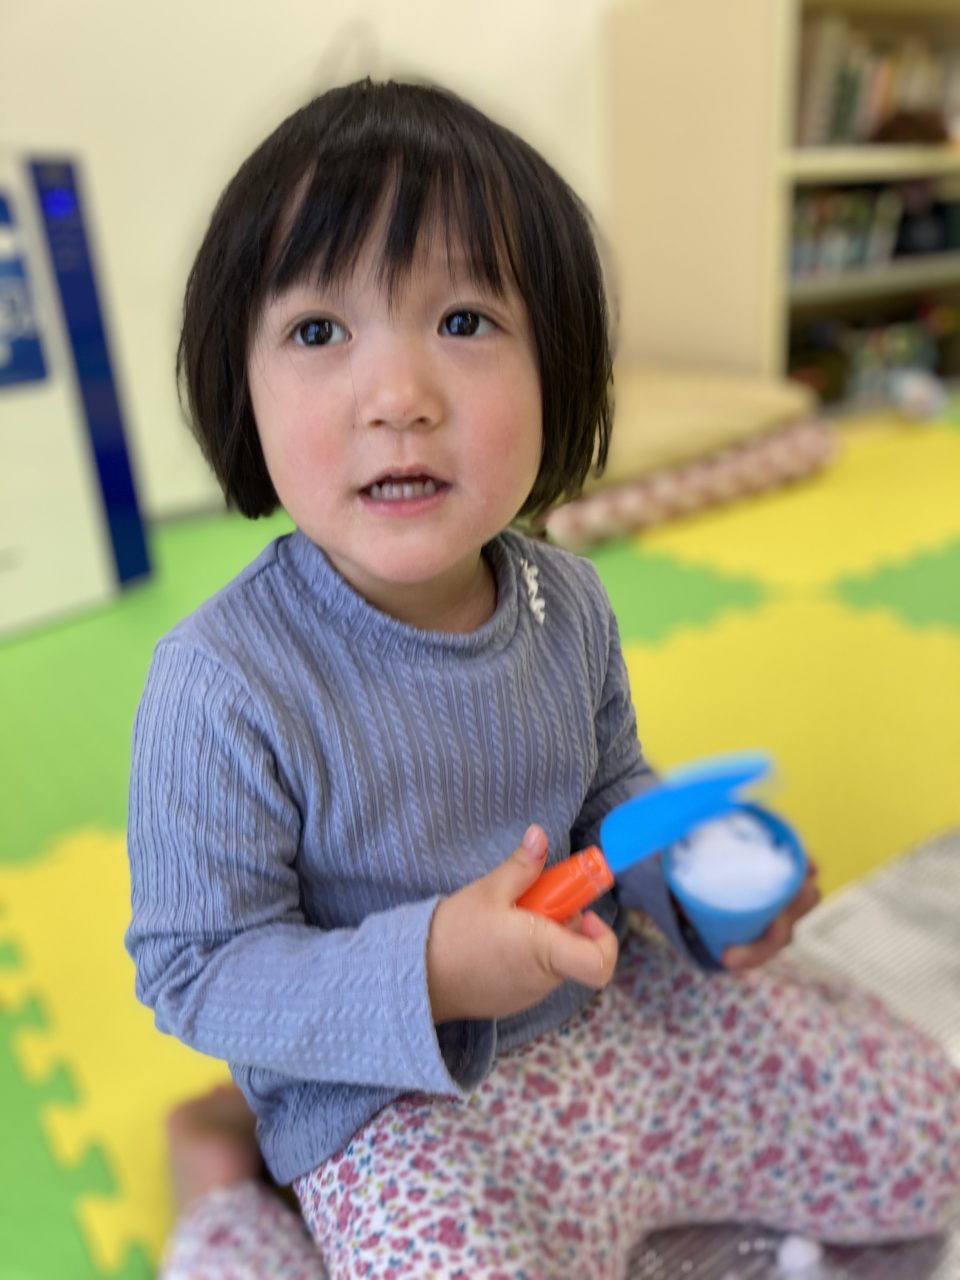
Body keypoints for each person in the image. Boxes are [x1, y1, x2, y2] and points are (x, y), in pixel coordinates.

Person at [127, 78, 960, 1280]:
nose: (399, 398)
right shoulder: (221, 682)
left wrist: (691, 879)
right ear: (237, 384)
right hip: (393, 1101)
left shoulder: (564, 598)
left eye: (464, 319)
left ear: (556, 367)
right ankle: (222, 1181)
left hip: (609, 1016)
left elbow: (613, 796)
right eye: (318, 331)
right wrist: (433, 966)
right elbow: (198, 968)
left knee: (923, 1135)